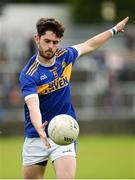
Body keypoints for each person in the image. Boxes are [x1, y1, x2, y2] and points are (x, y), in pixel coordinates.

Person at [19, 17, 129, 179]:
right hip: (36, 135)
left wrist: (113, 30)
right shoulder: (29, 74)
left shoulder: (65, 56)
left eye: (55, 42)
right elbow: (33, 105)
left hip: (63, 131)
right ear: (37, 39)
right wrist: (39, 127)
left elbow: (89, 45)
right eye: (47, 41)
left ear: (59, 41)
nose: (51, 47)